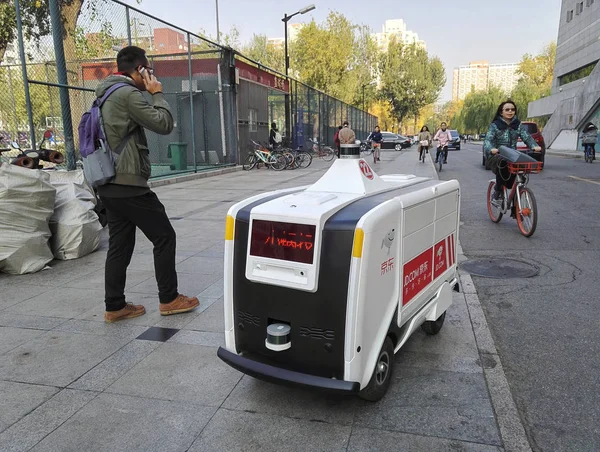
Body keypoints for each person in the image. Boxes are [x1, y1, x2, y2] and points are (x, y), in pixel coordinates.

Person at [96, 46, 199, 323]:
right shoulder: (127, 94)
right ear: (140, 69)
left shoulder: (104, 93)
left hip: (108, 183)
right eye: (148, 69)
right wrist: (157, 93)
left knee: (120, 245)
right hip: (129, 183)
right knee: (164, 236)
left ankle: (114, 305)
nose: (151, 74)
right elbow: (163, 124)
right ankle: (169, 299)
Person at [483, 100, 542, 202]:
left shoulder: (517, 124)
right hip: (497, 155)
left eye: (512, 109)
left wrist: (534, 146)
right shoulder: (495, 125)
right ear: (501, 112)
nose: (510, 111)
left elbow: (526, 137)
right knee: (502, 164)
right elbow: (488, 140)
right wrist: (491, 149)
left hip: (513, 155)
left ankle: (518, 196)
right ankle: (497, 191)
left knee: (522, 167)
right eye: (507, 109)